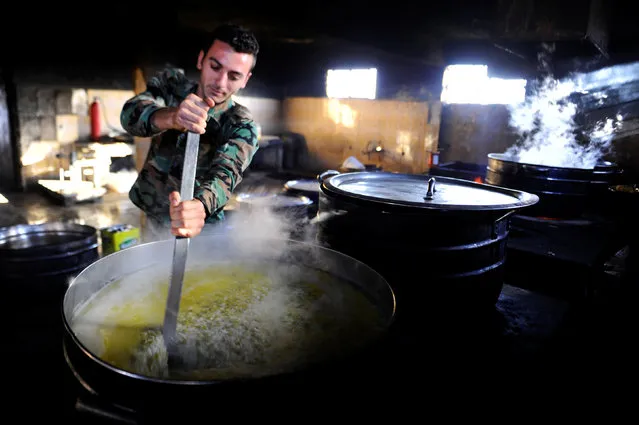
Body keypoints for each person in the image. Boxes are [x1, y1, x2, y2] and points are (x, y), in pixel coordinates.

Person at [120, 23, 260, 239]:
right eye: (215, 67)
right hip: (153, 213)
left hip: (202, 227)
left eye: (233, 76)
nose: (220, 83)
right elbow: (129, 116)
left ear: (245, 80)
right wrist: (172, 116)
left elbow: (226, 173)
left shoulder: (241, 125)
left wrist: (199, 207)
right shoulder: (171, 86)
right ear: (201, 60)